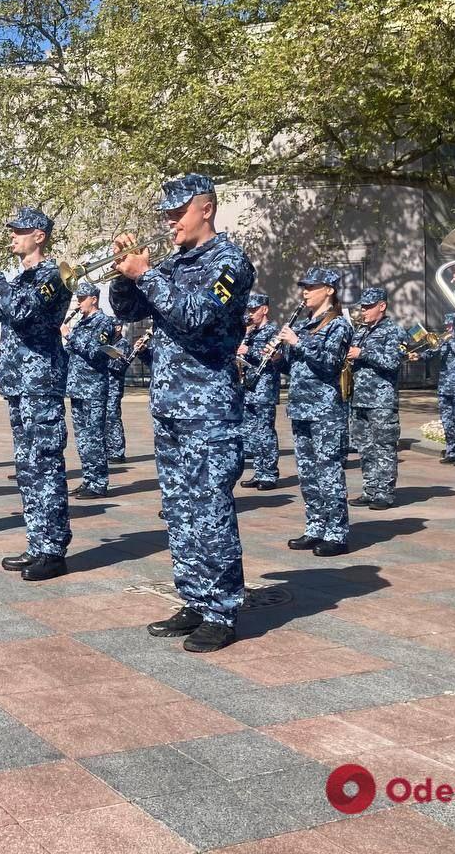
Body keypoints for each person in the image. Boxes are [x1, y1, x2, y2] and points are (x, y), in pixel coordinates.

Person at [111, 174, 255, 653]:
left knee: (210, 508)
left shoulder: (230, 262)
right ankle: (194, 596)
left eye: (178, 211)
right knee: (179, 507)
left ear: (206, 210)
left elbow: (194, 315)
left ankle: (222, 610)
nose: (169, 220)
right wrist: (124, 272)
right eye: (167, 212)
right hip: (171, 405)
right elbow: (127, 308)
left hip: (209, 407)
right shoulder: (173, 263)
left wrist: (148, 274)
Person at [0, 207, 73, 581]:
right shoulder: (20, 277)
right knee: (28, 468)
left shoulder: (53, 276)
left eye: (19, 231)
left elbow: (24, 311)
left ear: (39, 236)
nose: (12, 237)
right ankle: (38, 542)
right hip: (18, 382)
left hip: (40, 383)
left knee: (45, 464)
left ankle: (54, 549)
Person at [277, 267, 353, 557]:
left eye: (312, 287)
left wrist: (298, 342)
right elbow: (296, 367)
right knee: (307, 472)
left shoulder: (338, 325)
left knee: (328, 471)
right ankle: (316, 527)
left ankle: (337, 533)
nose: (305, 292)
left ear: (329, 290)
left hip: (325, 411)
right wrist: (278, 357)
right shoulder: (307, 324)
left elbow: (330, 363)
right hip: (301, 408)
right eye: (304, 287)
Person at [347, 287, 403, 510]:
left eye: (369, 307)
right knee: (365, 447)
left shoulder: (393, 331)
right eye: (363, 306)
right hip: (360, 397)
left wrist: (363, 354)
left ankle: (384, 493)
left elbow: (393, 362)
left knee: (384, 447)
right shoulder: (361, 331)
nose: (364, 311)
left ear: (382, 306)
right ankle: (370, 489)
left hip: (381, 400)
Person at [63, 281, 115, 498]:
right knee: (83, 438)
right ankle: (89, 478)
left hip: (93, 388)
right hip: (77, 388)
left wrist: (69, 336)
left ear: (94, 299)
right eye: (78, 298)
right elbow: (73, 352)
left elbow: (96, 352)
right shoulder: (80, 323)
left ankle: (99, 482)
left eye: (82, 298)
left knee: (94, 436)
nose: (79, 302)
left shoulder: (104, 323)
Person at [413, 314, 455, 465]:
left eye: (450, 326)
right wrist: (420, 355)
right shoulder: (442, 341)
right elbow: (432, 352)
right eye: (446, 326)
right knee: (447, 422)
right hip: (444, 387)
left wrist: (452, 343)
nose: (447, 329)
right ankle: (452, 450)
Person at [238, 293, 280, 490]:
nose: (251, 314)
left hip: (264, 388)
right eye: (250, 310)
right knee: (251, 433)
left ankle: (269, 474)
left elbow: (270, 356)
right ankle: (259, 470)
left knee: (265, 432)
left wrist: (248, 351)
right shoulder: (250, 332)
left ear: (265, 309)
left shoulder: (273, 332)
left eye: (255, 310)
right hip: (249, 387)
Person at [105, 324, 132, 462]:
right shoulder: (106, 342)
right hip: (103, 386)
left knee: (112, 417)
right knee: (103, 419)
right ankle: (106, 450)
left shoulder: (124, 344)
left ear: (118, 327)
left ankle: (117, 452)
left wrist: (104, 357)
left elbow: (120, 366)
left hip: (114, 387)